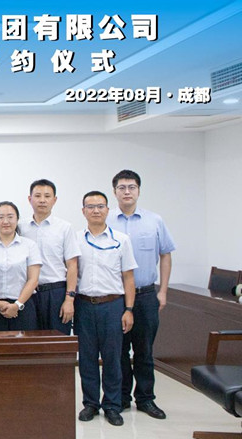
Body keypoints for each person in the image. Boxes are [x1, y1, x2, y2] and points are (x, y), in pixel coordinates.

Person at [107, 169, 176, 419]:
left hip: (146, 295)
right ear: (114, 191)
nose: (127, 192)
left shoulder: (154, 220)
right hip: (116, 297)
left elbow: (165, 255)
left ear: (138, 190)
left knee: (144, 350)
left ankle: (146, 399)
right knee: (118, 350)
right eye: (122, 187)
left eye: (132, 187)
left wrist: (163, 291)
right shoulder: (105, 221)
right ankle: (121, 398)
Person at [75, 191, 137, 427]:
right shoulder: (75, 239)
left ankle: (112, 405)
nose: (96, 210)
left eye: (100, 206)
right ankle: (90, 403)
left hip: (112, 305)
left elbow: (128, 277)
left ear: (108, 210)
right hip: (84, 305)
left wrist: (128, 309)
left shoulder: (121, 240)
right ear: (83, 211)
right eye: (90, 207)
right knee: (87, 357)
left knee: (113, 357)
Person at [19, 179, 80, 335]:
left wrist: (69, 299)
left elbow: (72, 265)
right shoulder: (20, 227)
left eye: (47, 196)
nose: (42, 200)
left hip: (56, 293)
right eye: (37, 196)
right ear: (29, 199)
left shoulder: (65, 228)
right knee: (29, 340)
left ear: (54, 200)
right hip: (27, 294)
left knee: (58, 341)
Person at [0, 201, 41, 331]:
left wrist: (17, 305)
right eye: (1, 217)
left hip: (24, 306)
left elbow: (33, 279)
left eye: (10, 217)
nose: (6, 221)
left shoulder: (29, 245)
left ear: (17, 219)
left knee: (25, 344)